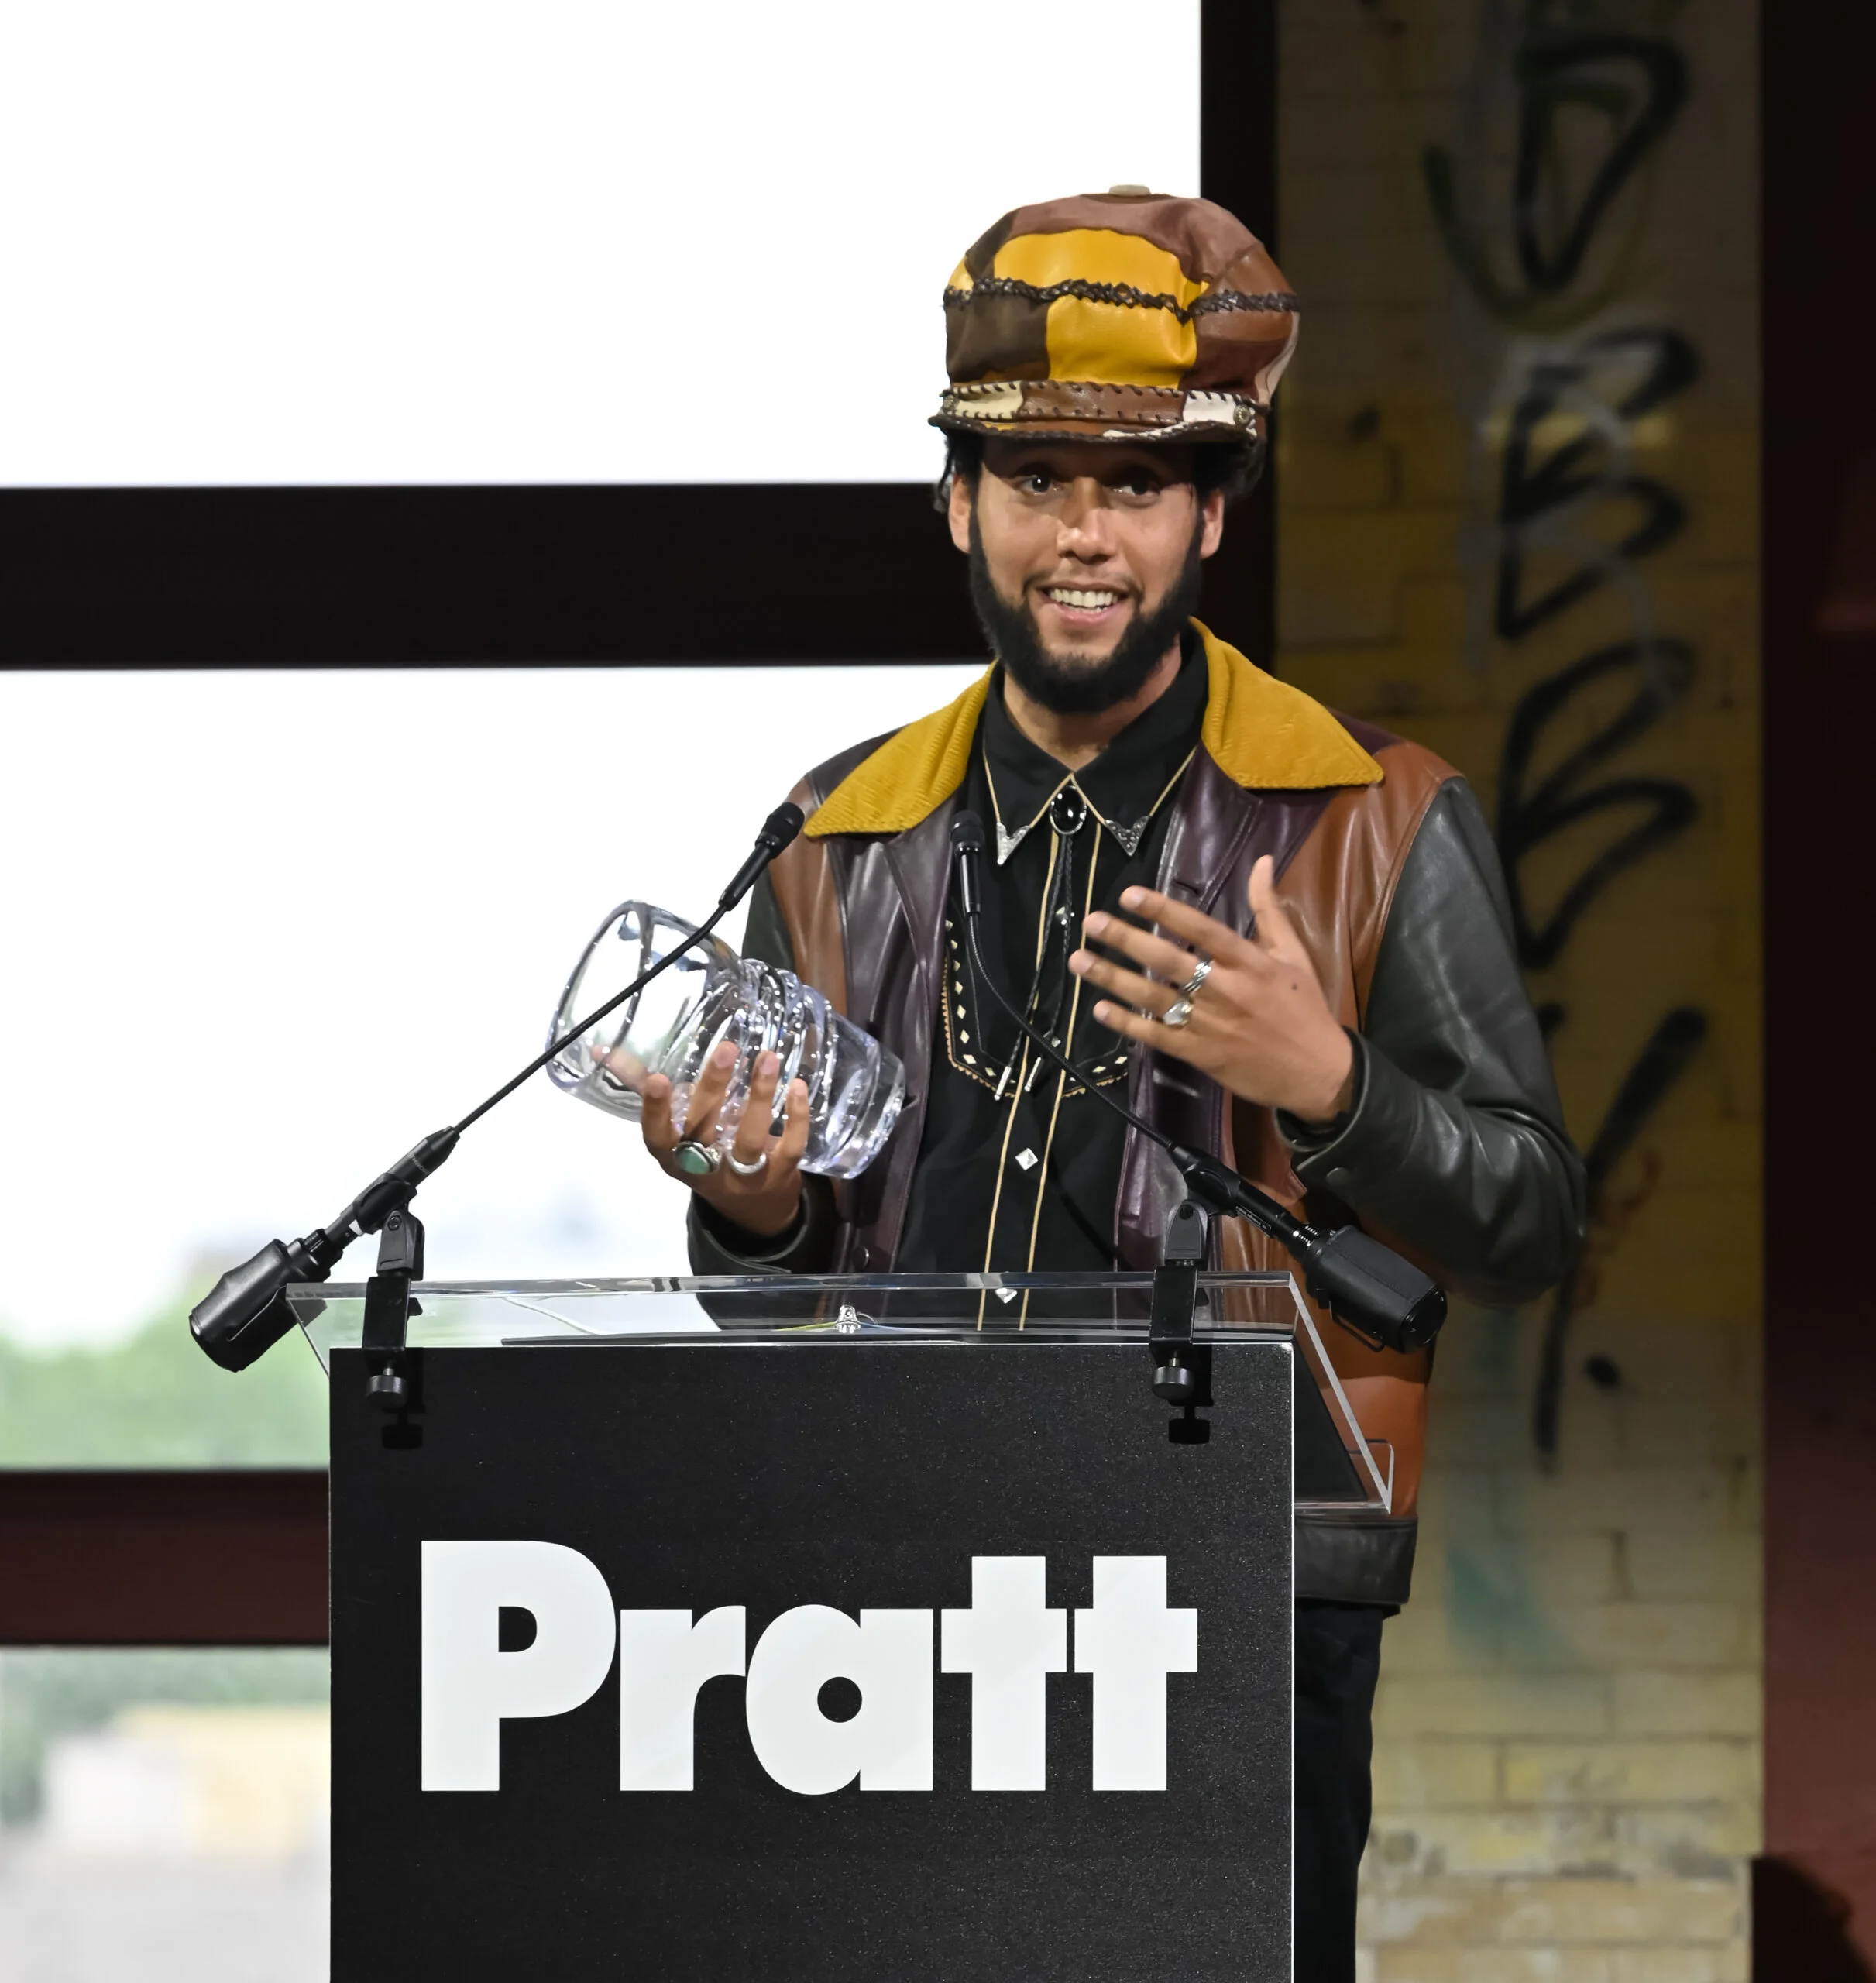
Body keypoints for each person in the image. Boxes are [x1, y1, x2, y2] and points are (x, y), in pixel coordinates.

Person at [621, 188, 1584, 1981]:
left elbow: (1531, 1219)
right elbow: (778, 1294)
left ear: (1210, 509)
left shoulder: (1369, 816)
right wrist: (748, 1217)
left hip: (1238, 1586)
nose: (1084, 532)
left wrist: (1333, 1084)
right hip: (886, 1582)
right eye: (1034, 478)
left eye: (1132, 485)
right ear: (956, 503)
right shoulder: (838, 830)